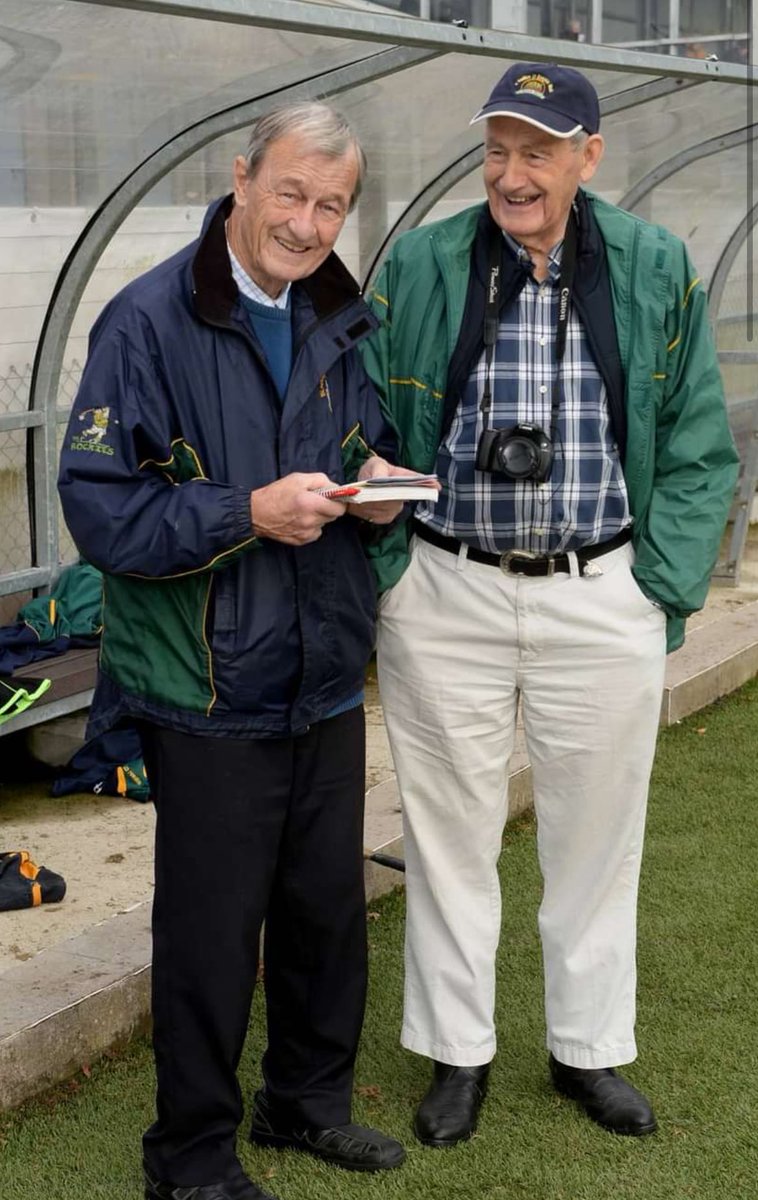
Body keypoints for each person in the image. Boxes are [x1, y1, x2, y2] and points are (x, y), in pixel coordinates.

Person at [361, 62, 739, 1147]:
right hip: (446, 589)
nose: (510, 173)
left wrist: (654, 587)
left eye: (536, 151)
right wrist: (393, 557)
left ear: (586, 157)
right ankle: (455, 1056)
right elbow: (365, 418)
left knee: (595, 837)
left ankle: (588, 1052)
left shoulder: (652, 262)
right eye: (497, 149)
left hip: (597, 589)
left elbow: (697, 446)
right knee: (445, 838)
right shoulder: (428, 260)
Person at [58, 102, 410, 1200]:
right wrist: (244, 513)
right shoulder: (146, 321)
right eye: (291, 194)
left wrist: (381, 495)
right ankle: (191, 1157)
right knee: (211, 938)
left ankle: (305, 1104)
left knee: (323, 911)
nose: (307, 225)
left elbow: (365, 445)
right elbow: (102, 513)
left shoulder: (341, 315)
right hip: (208, 688)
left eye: (331, 205)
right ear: (241, 178)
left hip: (322, 676)